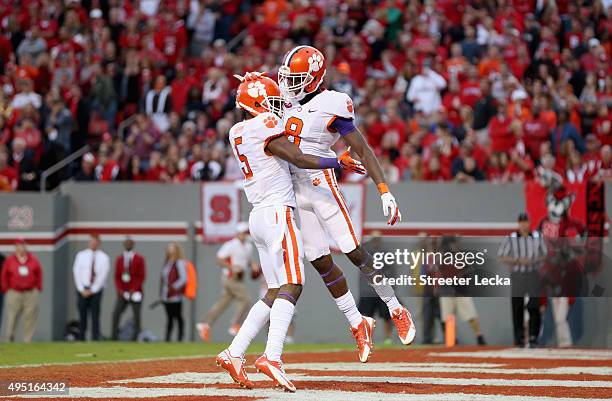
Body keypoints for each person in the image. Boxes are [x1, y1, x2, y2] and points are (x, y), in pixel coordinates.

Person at [215, 74, 363, 391]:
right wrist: (337, 160)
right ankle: (272, 356)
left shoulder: (236, 131)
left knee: (273, 291)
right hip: (277, 213)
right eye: (270, 102)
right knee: (293, 284)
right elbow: (297, 157)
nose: (277, 106)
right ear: (258, 105)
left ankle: (234, 352)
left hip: (257, 216)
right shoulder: (265, 123)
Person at [273, 45, 415, 359]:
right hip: (293, 190)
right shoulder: (282, 102)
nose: (288, 84)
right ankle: (357, 323)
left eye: (296, 78)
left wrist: (384, 191)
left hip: (321, 186)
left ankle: (394, 306)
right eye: (287, 77)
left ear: (313, 79)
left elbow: (362, 150)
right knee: (319, 260)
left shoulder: (332, 103)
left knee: (354, 252)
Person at [196, 222, 256, 341]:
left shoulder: (248, 246)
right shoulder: (231, 245)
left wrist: (253, 265)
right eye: (243, 233)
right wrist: (231, 267)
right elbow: (219, 259)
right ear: (238, 233)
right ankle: (235, 324)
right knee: (246, 300)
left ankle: (205, 323)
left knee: (223, 303)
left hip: (240, 278)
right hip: (230, 277)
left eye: (246, 233)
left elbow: (246, 261)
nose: (244, 235)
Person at [499, 213, 547, 347]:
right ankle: (519, 338)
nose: (524, 224)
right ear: (518, 223)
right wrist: (517, 260)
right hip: (518, 275)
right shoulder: (511, 238)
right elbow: (502, 256)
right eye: (521, 222)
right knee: (517, 306)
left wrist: (534, 260)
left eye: (526, 221)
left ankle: (533, 336)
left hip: (533, 274)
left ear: (529, 222)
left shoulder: (537, 237)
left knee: (533, 305)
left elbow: (545, 255)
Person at [438, 236, 486, 345]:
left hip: (461, 291)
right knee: (448, 317)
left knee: (470, 314)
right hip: (447, 291)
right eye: (453, 244)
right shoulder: (441, 257)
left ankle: (479, 336)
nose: (456, 246)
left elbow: (468, 271)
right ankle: (452, 339)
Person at [1, 240, 42, 342]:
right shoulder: (10, 260)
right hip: (14, 292)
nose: (21, 248)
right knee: (12, 317)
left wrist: (38, 287)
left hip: (30, 292)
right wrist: (6, 289)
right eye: (19, 246)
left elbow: (39, 273)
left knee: (30, 317)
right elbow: (4, 275)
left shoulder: (33, 259)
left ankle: (27, 340)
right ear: (15, 247)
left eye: (23, 245)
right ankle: (9, 339)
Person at [73, 234, 110, 341]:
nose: (93, 243)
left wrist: (93, 290)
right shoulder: (81, 255)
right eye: (91, 241)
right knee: (82, 315)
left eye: (95, 242)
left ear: (99, 243)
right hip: (82, 289)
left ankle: (95, 338)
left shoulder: (104, 257)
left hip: (96, 291)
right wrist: (81, 289)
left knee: (95, 315)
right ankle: (81, 338)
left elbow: (102, 275)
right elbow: (76, 272)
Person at [111, 238, 146, 341]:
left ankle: (135, 338)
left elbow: (142, 276)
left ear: (133, 244)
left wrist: (133, 289)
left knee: (136, 316)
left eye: (129, 243)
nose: (128, 245)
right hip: (123, 292)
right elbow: (117, 276)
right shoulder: (120, 259)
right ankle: (114, 337)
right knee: (116, 313)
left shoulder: (139, 259)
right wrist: (120, 289)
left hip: (136, 292)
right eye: (126, 243)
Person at [160, 242, 187, 342]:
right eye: (169, 248)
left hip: (176, 295)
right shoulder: (167, 263)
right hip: (166, 295)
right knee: (169, 317)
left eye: (172, 248)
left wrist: (174, 287)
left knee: (178, 316)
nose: (170, 250)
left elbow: (183, 278)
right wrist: (163, 293)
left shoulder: (179, 262)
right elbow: (164, 279)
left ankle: (180, 337)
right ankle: (167, 338)